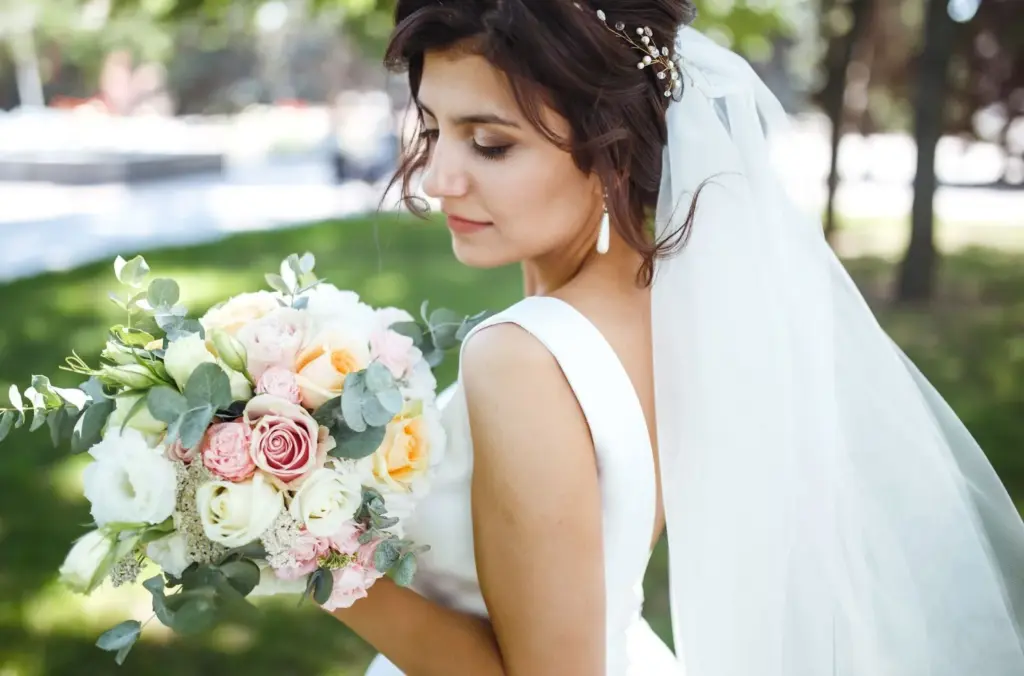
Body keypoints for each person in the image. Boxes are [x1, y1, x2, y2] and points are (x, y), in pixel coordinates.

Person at [327, 2, 1024, 674]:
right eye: (432, 128)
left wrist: (312, 554)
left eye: (490, 144)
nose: (439, 177)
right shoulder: (673, 306)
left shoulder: (522, 358)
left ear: (614, 146)